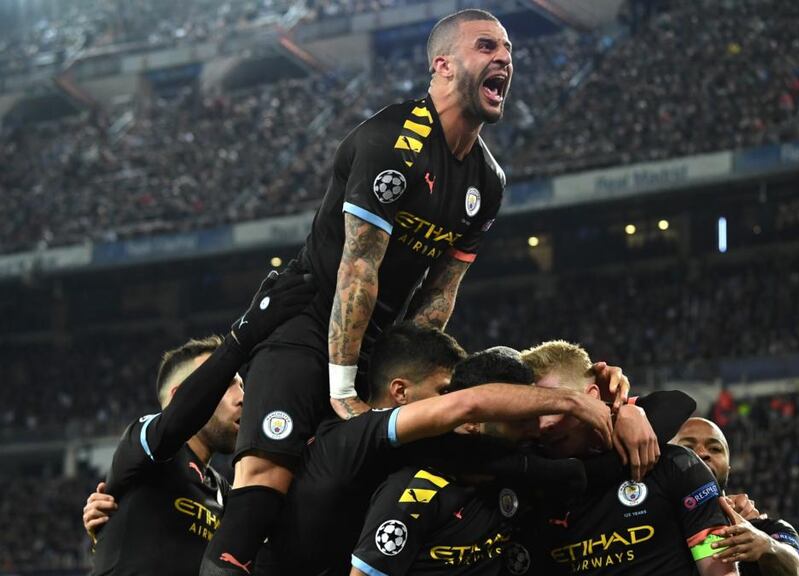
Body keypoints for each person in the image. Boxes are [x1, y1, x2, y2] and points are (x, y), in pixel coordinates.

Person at [201, 10, 521, 574]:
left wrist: (401, 364)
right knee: (265, 482)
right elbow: (358, 270)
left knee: (362, 486)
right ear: (443, 66)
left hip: (377, 343)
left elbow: (442, 291)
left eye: (508, 49)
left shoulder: (487, 184)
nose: (505, 58)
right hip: (305, 325)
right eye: (487, 46)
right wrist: (344, 388)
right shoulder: (392, 142)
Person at [258, 324, 614, 576]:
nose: (535, 428)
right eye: (445, 392)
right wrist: (570, 401)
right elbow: (469, 406)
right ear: (400, 392)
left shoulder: (477, 462)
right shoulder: (362, 453)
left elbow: (566, 472)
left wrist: (631, 411)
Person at [85, 269, 315, 576]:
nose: (243, 397)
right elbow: (174, 425)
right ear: (182, 393)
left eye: (243, 386)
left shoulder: (225, 490)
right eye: (228, 384)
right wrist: (242, 338)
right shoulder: (140, 446)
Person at [521, 340, 738, 576]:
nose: (543, 425)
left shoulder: (676, 466)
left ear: (591, 398)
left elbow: (721, 572)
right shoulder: (529, 488)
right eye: (534, 412)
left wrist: (628, 407)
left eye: (556, 406)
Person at [670, 418, 799, 576]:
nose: (701, 453)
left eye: (714, 448)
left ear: (728, 468)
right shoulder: (650, 527)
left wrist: (766, 546)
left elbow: (793, 569)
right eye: (687, 448)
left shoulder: (763, 529)